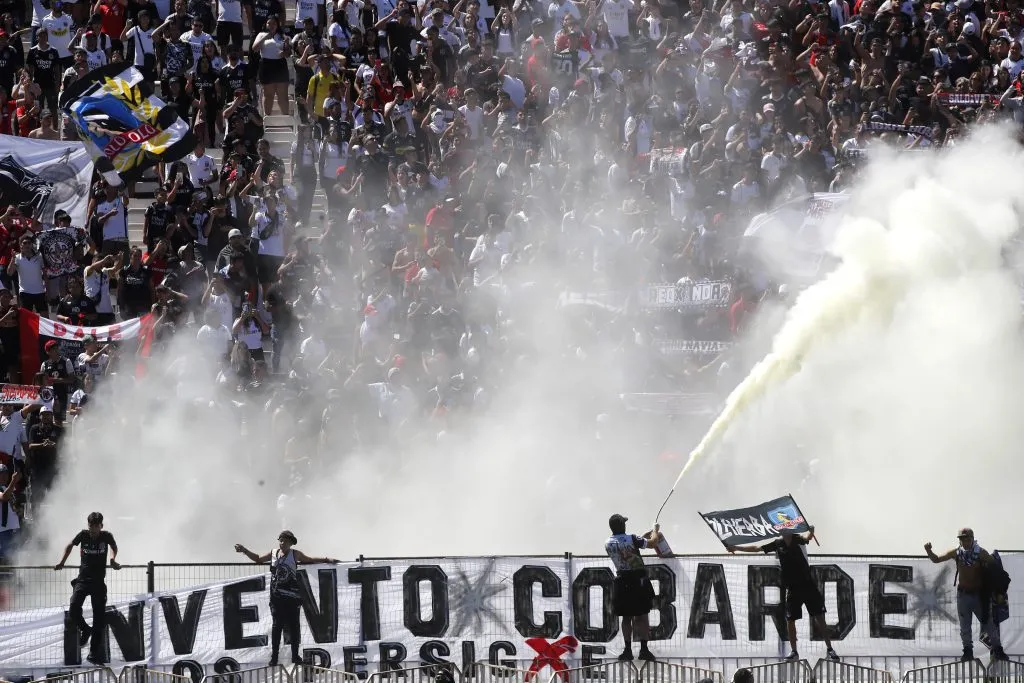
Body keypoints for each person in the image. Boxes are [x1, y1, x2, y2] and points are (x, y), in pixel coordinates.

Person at [727, 527, 839, 663]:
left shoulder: (798, 539)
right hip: (792, 588)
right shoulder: (778, 543)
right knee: (790, 620)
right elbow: (757, 548)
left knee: (820, 618)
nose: (783, 530)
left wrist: (812, 530)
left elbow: (808, 537)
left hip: (807, 584)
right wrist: (737, 548)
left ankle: (830, 649)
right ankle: (794, 651)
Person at [233, 530, 338, 666]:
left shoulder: (295, 554)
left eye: (285, 541)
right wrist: (244, 550)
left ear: (290, 543)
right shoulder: (273, 553)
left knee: (294, 626)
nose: (282, 543)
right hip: (276, 597)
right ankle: (274, 657)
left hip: (292, 596)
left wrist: (326, 559)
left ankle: (295, 656)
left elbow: (310, 560)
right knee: (277, 627)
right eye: (281, 540)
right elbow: (258, 559)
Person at [925, 528, 1009, 661]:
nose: (965, 541)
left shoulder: (981, 553)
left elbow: (997, 570)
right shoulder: (957, 553)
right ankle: (968, 652)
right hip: (963, 595)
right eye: (962, 539)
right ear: (960, 540)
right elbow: (936, 559)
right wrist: (929, 551)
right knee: (965, 626)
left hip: (979, 596)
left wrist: (999, 591)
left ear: (972, 538)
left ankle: (998, 650)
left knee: (989, 624)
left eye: (968, 539)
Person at [54, 511, 121, 665]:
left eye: (96, 527)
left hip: (98, 582)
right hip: (83, 580)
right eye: (91, 526)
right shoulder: (83, 535)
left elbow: (114, 547)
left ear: (101, 526)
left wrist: (112, 559)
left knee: (99, 618)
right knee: (73, 608)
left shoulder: (107, 536)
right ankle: (85, 628)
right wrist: (62, 562)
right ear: (88, 525)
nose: (93, 530)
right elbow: (70, 545)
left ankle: (93, 653)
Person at [604, 513, 660, 661]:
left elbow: (624, 550)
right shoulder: (633, 538)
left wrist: (642, 538)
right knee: (642, 615)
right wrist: (655, 530)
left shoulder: (608, 542)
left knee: (626, 617)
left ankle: (627, 650)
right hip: (638, 579)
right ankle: (644, 650)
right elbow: (653, 543)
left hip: (622, 580)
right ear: (623, 525)